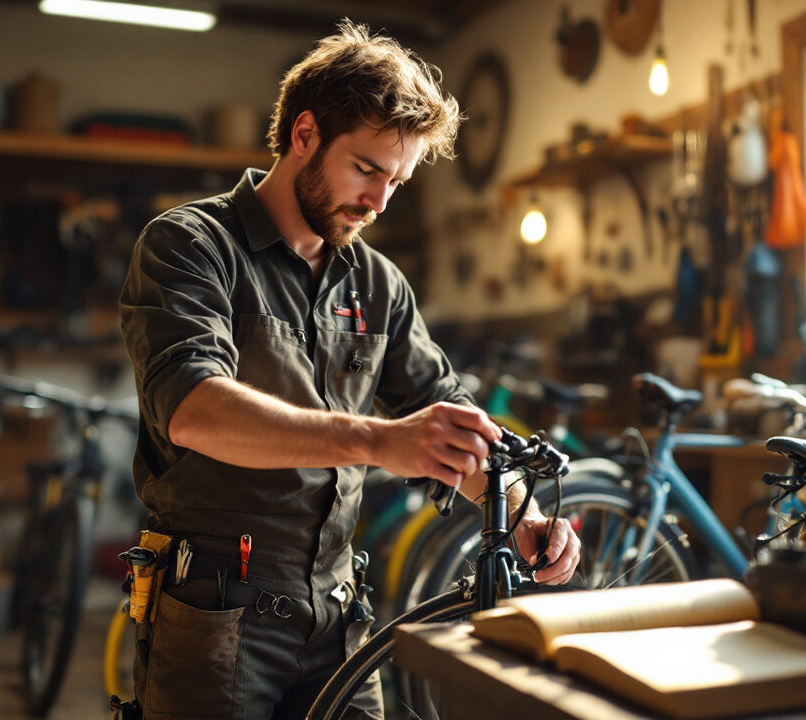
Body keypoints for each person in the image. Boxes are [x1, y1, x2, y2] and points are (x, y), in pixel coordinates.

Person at [118, 19, 580, 720]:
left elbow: (444, 413)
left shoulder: (379, 284)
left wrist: (522, 512)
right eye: (366, 169)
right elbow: (194, 409)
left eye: (396, 180)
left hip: (337, 620)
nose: (378, 202)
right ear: (304, 134)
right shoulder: (191, 245)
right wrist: (376, 441)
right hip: (213, 614)